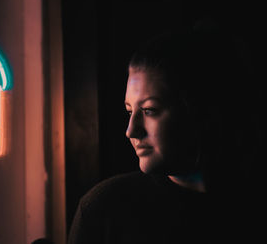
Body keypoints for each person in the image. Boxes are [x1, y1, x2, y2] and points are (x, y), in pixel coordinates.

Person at [68, 26, 261, 244]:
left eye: (150, 111)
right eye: (129, 111)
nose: (131, 130)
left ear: (200, 111)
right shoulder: (103, 210)